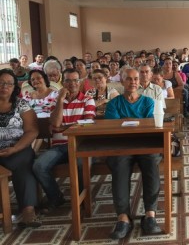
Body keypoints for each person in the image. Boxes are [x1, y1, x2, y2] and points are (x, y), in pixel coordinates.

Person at [105, 68, 162, 239]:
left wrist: (126, 122)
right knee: (119, 164)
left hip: (146, 145)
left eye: (136, 79)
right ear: (122, 82)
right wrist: (136, 123)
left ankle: (150, 215)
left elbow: (149, 127)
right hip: (121, 147)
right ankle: (123, 217)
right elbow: (113, 129)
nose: (133, 82)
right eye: (129, 79)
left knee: (152, 161)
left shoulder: (148, 102)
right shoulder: (114, 104)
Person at [33, 68, 96, 212]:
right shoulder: (56, 100)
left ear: (80, 82)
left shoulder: (87, 99)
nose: (72, 84)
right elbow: (55, 124)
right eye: (68, 80)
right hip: (59, 147)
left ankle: (83, 199)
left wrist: (64, 128)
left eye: (75, 80)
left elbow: (87, 124)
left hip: (81, 145)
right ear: (63, 82)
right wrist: (61, 100)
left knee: (82, 164)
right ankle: (56, 198)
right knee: (39, 166)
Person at [0, 69, 41, 228]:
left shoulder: (21, 104)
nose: (4, 86)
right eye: (1, 83)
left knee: (23, 164)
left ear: (14, 87)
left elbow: (32, 130)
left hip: (17, 148)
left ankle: (28, 210)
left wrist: (15, 148)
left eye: (9, 84)